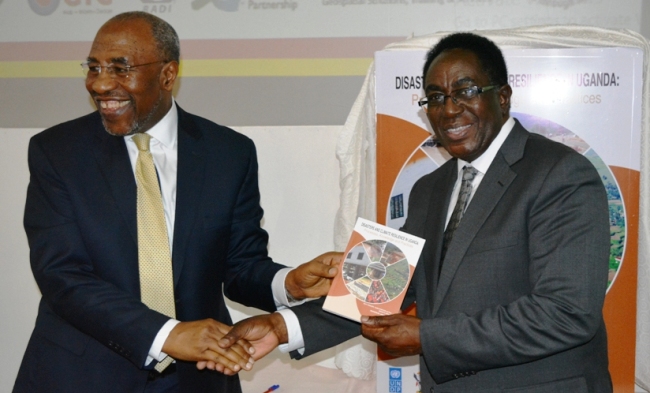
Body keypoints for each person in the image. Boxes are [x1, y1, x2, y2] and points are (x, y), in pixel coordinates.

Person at [220, 32, 613, 392]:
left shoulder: (560, 173)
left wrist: (428, 336)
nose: (449, 109)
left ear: (504, 96)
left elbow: (566, 313)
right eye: (436, 97)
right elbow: (378, 288)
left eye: (466, 91)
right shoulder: (430, 187)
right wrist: (281, 325)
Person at [14, 11, 339, 393]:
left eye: (120, 68)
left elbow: (240, 266)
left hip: (198, 379)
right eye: (94, 67)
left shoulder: (228, 153)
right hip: (81, 376)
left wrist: (291, 283)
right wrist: (167, 335)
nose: (101, 84)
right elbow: (63, 275)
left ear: (168, 75)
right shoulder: (57, 152)